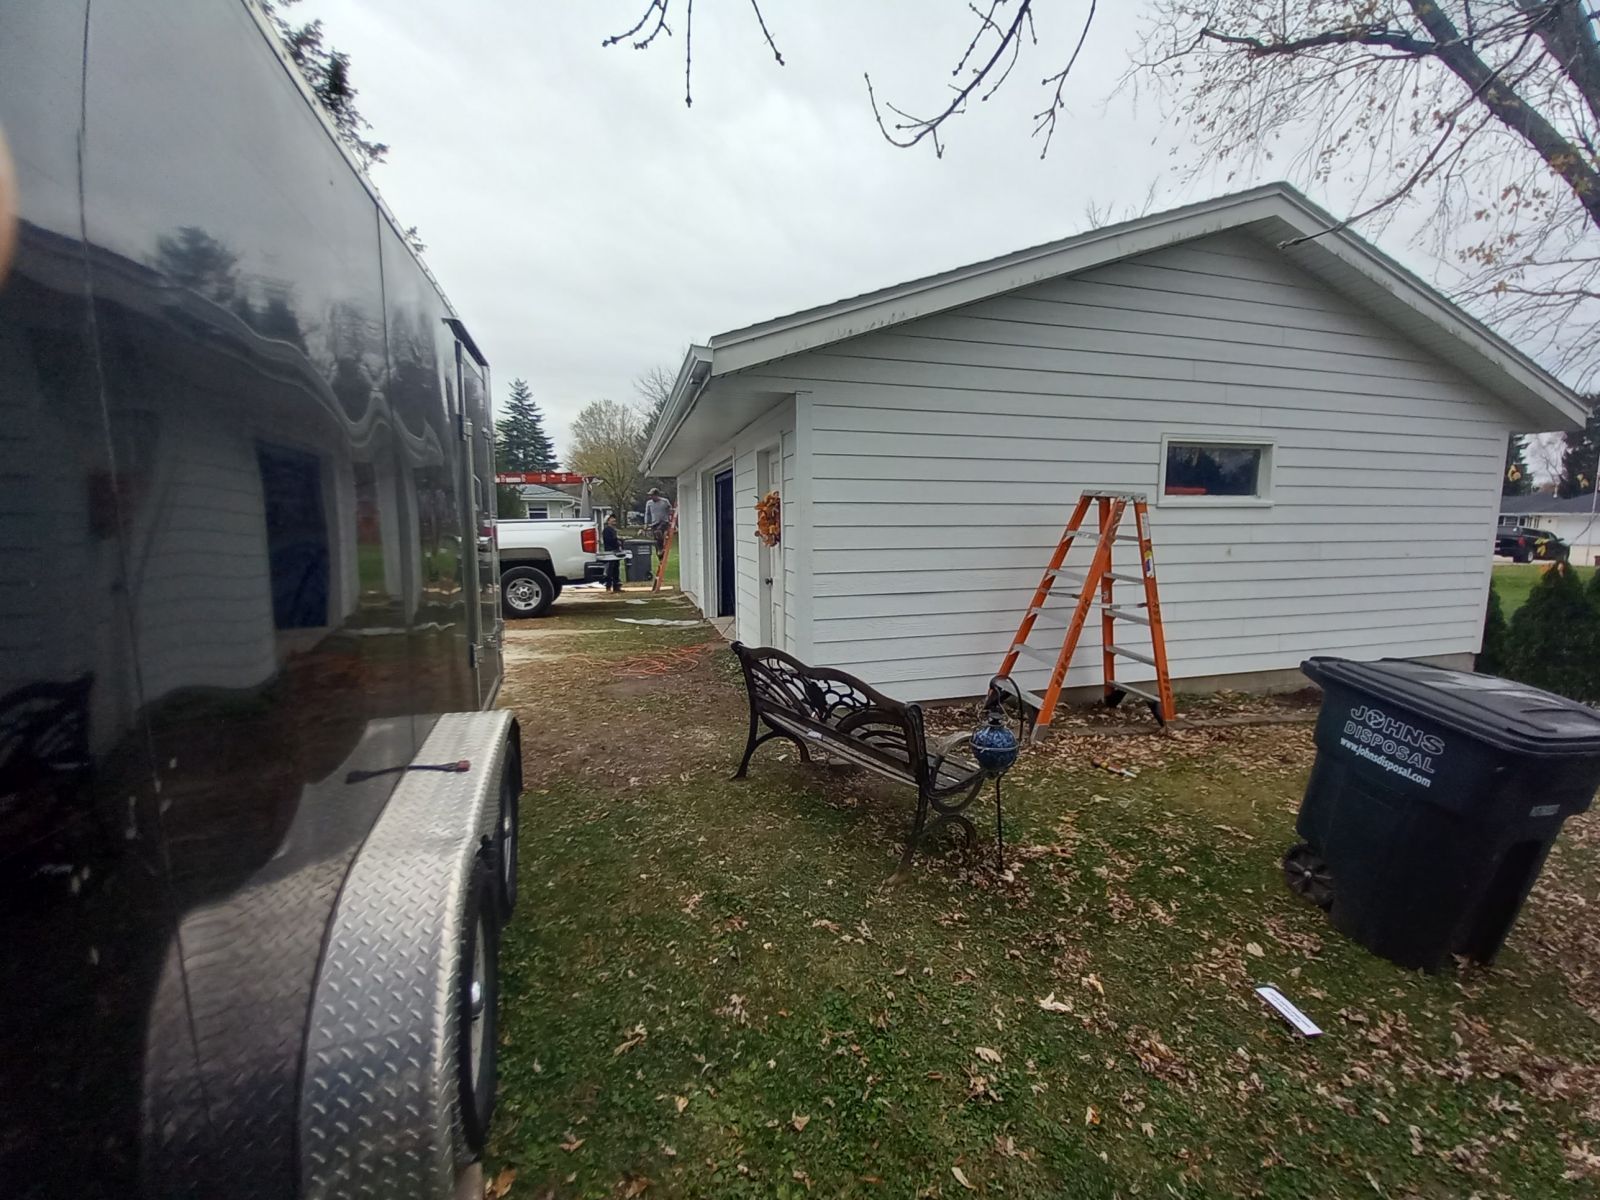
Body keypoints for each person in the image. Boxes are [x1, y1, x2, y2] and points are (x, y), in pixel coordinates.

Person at [643, 487, 673, 556]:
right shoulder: (649, 503)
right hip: (654, 523)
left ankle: (661, 548)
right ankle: (660, 556)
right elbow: (647, 514)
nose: (651, 497)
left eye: (652, 495)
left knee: (658, 532)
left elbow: (670, 510)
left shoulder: (665, 501)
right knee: (656, 540)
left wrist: (671, 519)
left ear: (656, 495)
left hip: (664, 522)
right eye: (650, 495)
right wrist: (646, 523)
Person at [601, 514, 623, 592]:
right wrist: (617, 541)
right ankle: (608, 587)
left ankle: (616, 587)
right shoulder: (607, 530)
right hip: (610, 552)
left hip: (616, 552)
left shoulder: (613, 530)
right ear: (608, 521)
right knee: (610, 570)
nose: (614, 520)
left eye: (614, 518)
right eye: (612, 518)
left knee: (616, 570)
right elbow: (609, 541)